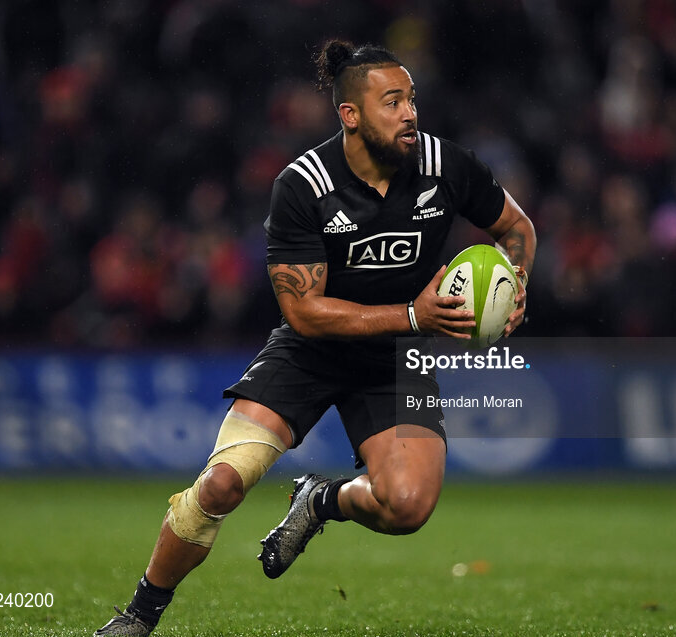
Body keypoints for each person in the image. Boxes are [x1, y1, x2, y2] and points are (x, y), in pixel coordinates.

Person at [94, 39, 536, 636]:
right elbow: (304, 312)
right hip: (311, 351)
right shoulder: (303, 185)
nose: (410, 114)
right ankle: (139, 617)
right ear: (350, 114)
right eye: (392, 102)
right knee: (221, 483)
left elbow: (516, 227)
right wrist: (412, 315)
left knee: (408, 506)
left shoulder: (446, 165)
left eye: (411, 100)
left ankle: (320, 500)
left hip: (393, 358)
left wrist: (515, 282)